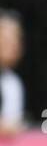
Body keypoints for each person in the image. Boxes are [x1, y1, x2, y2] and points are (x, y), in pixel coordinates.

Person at [0, 10, 24, 139]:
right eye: (7, 38)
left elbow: (12, 126)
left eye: (18, 38)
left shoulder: (12, 82)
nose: (15, 45)